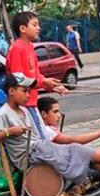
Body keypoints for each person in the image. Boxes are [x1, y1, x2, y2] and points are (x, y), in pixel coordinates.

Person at [0, 73, 100, 187]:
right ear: (11, 91)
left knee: (80, 158)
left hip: (40, 148)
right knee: (76, 150)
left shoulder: (24, 110)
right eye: (24, 91)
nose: (28, 95)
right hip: (30, 155)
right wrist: (10, 132)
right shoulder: (2, 114)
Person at [6, 11, 68, 140]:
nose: (38, 28)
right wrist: (42, 83)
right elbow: (18, 78)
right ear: (23, 28)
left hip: (32, 102)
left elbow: (36, 74)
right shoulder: (17, 48)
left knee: (42, 138)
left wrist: (50, 84)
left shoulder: (29, 47)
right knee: (40, 141)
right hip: (24, 104)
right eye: (34, 25)